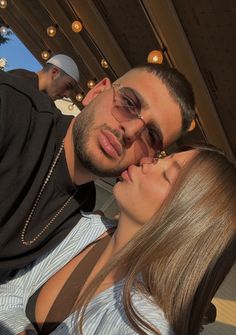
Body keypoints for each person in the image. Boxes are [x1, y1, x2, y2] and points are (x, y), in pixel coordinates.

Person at [0, 146, 235, 335]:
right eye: (162, 158)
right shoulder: (85, 227)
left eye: (167, 174)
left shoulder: (149, 321)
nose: (148, 161)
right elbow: (6, 294)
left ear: (187, 221)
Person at [0, 63, 195, 282]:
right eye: (129, 103)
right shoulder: (12, 107)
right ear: (96, 92)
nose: (130, 131)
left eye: (151, 135)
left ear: (149, 157)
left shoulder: (84, 210)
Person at [8, 54, 79, 100]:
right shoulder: (17, 80)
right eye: (67, 86)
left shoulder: (44, 104)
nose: (67, 95)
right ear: (54, 72)